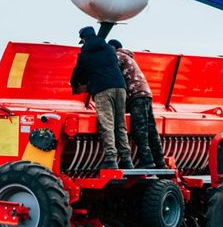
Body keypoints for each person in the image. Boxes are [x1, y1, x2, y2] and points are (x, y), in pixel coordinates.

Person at [70, 26, 133, 170]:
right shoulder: (110, 49)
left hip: (103, 89)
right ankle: (126, 158)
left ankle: (111, 158)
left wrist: (75, 85)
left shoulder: (85, 55)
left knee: (107, 123)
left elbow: (79, 73)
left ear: (84, 39)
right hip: (120, 87)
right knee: (120, 123)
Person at [108, 39, 166, 169]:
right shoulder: (128, 57)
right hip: (145, 94)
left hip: (136, 95)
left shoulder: (118, 56)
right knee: (151, 129)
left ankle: (147, 161)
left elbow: (110, 71)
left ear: (113, 47)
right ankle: (160, 161)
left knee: (139, 129)